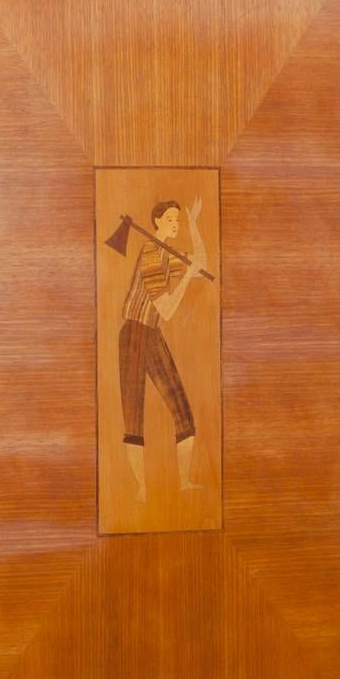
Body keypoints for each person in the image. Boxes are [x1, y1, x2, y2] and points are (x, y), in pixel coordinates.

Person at [113, 197, 204, 496]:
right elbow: (166, 309)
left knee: (182, 410)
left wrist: (193, 226)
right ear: (155, 223)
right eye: (170, 220)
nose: (174, 224)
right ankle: (141, 489)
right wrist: (187, 279)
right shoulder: (152, 253)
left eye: (177, 220)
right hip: (134, 334)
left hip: (151, 333)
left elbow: (200, 261)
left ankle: (185, 482)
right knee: (133, 416)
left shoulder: (169, 252)